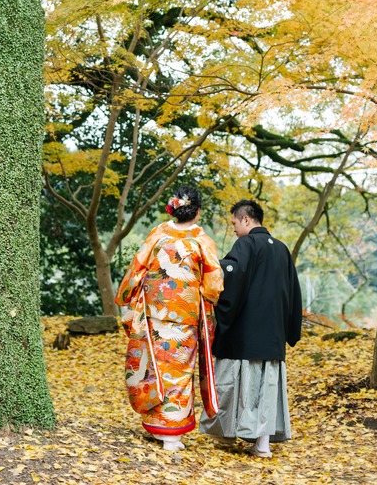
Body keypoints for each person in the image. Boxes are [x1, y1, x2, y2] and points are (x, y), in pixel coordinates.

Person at [114, 185, 224, 452]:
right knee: (180, 370)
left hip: (154, 313)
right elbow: (214, 283)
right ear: (196, 212)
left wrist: (126, 297)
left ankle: (157, 426)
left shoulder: (158, 235)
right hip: (185, 316)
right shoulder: (202, 240)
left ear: (175, 208)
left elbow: (136, 269)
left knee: (156, 368)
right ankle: (171, 434)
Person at [200, 199, 303, 459]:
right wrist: (289, 329)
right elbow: (294, 293)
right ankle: (263, 443)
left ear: (246, 219)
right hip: (272, 335)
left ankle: (229, 435)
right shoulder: (281, 249)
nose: (234, 228)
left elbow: (230, 278)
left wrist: (211, 268)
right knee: (266, 388)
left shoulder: (246, 244)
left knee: (237, 383)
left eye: (235, 222)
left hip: (245, 333)